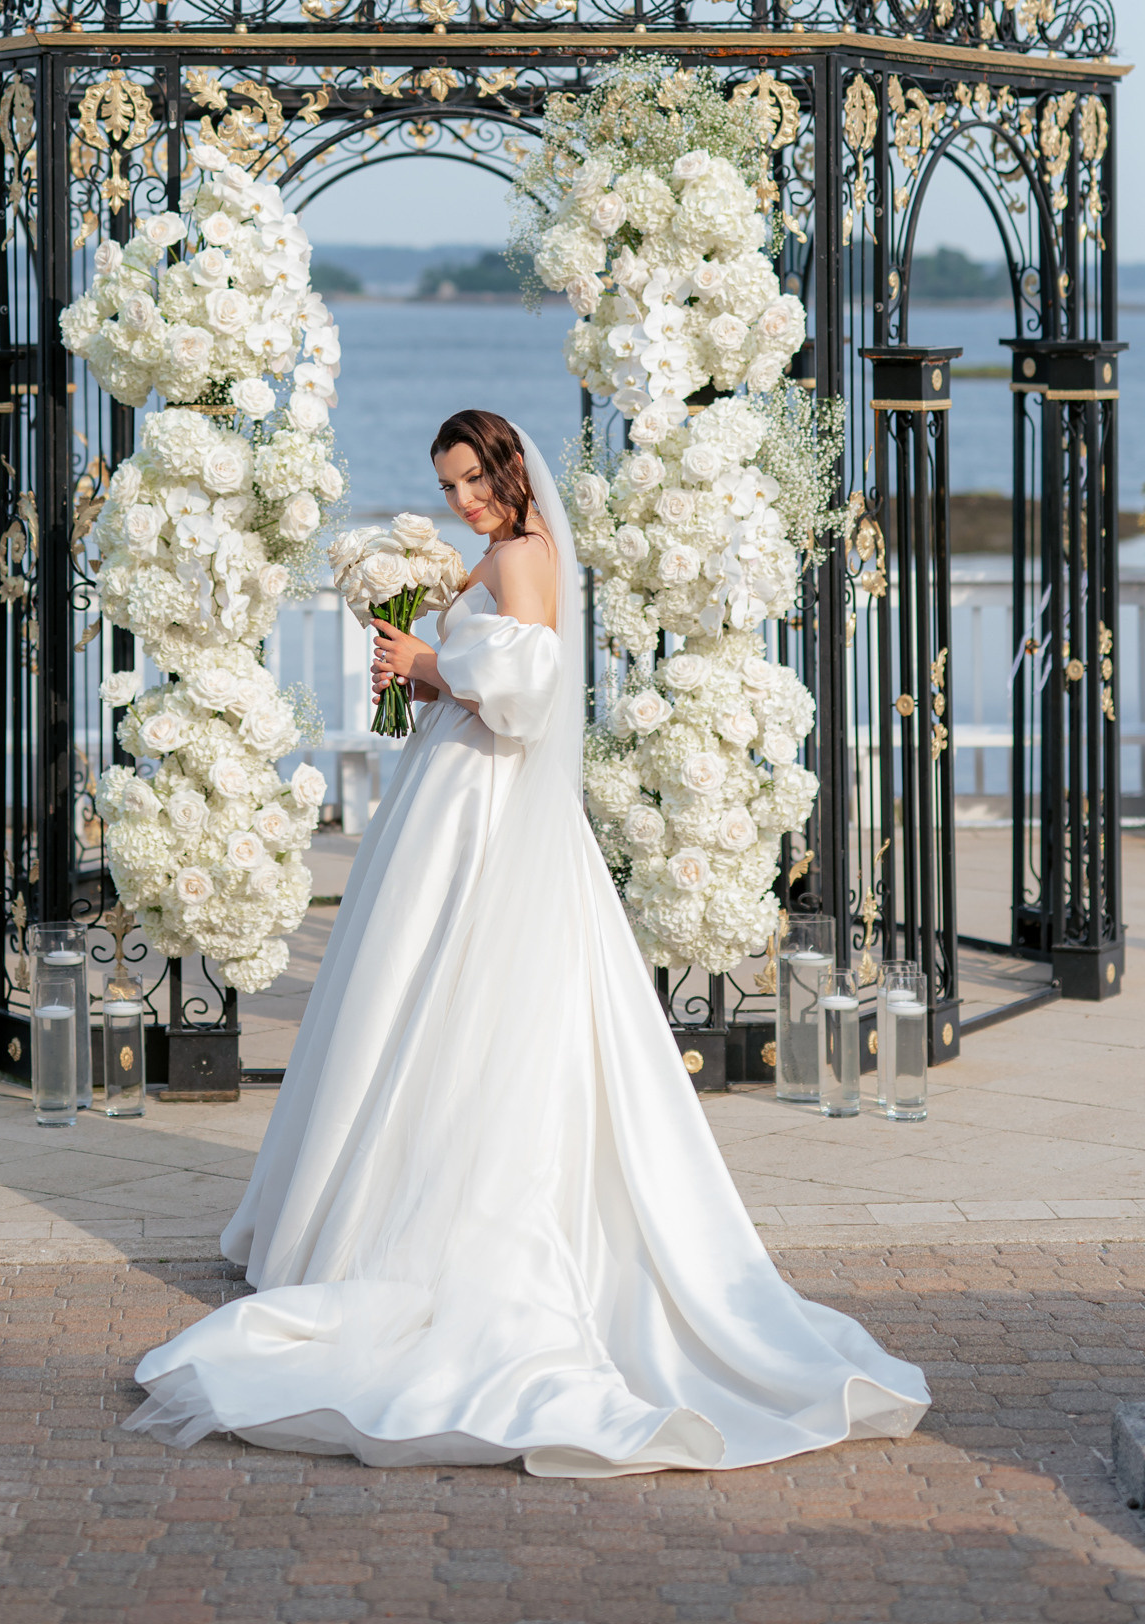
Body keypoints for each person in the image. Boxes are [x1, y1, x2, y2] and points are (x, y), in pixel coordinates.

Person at [126, 407, 928, 1475]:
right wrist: (419, 652)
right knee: (412, 993)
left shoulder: (518, 557)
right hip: (457, 787)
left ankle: (398, 1233)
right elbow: (482, 676)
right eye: (448, 484)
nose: (462, 499)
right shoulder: (502, 556)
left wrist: (430, 665)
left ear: (506, 470)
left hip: (483, 801)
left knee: (444, 995)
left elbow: (526, 700)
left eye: (472, 478)